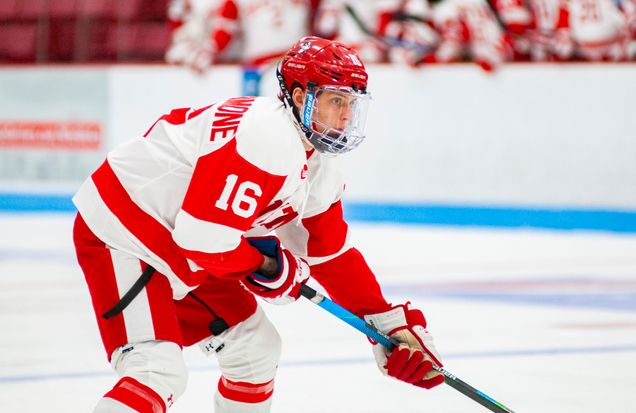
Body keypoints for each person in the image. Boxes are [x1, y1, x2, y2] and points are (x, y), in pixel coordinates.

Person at [73, 36, 444, 413]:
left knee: (256, 350)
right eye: (336, 101)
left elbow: (328, 254)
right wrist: (267, 267)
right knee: (156, 370)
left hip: (180, 245)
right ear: (300, 97)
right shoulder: (266, 135)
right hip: (126, 232)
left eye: (352, 103)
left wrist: (386, 320)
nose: (346, 116)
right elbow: (202, 239)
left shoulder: (318, 162)